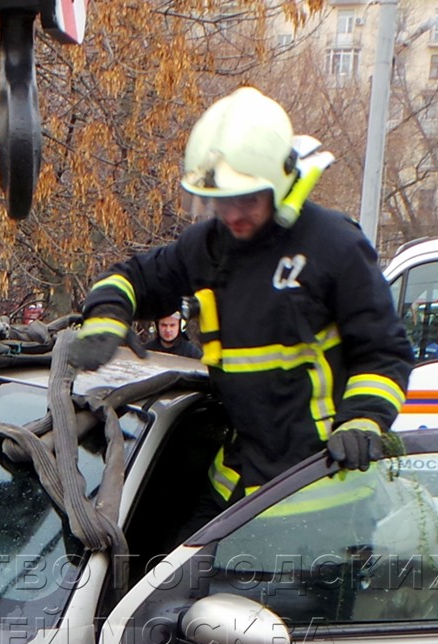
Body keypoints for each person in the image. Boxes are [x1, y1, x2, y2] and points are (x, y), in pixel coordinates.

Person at [66, 87, 412, 521]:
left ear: (281, 183)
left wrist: (363, 420)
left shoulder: (335, 246)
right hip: (236, 483)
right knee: (166, 583)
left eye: (247, 199)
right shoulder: (207, 247)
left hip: (322, 491)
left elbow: (384, 353)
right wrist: (106, 317)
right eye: (221, 202)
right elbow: (133, 277)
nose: (232, 216)